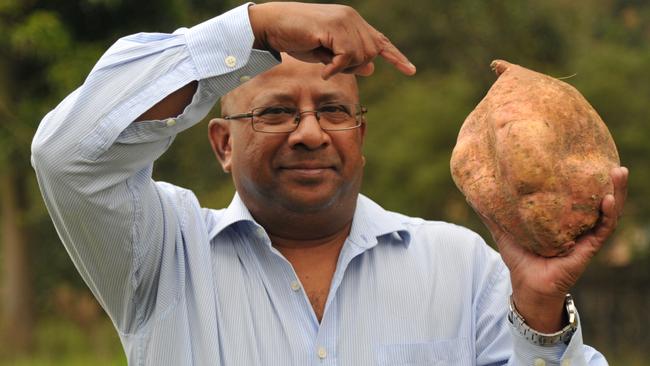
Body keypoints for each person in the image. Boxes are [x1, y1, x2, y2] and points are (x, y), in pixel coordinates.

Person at [31, 2, 627, 365]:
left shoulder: (465, 266)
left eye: (335, 111)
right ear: (221, 145)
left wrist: (542, 307)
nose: (310, 133)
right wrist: (253, 28)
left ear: (360, 136)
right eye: (275, 112)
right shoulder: (162, 256)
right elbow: (68, 153)